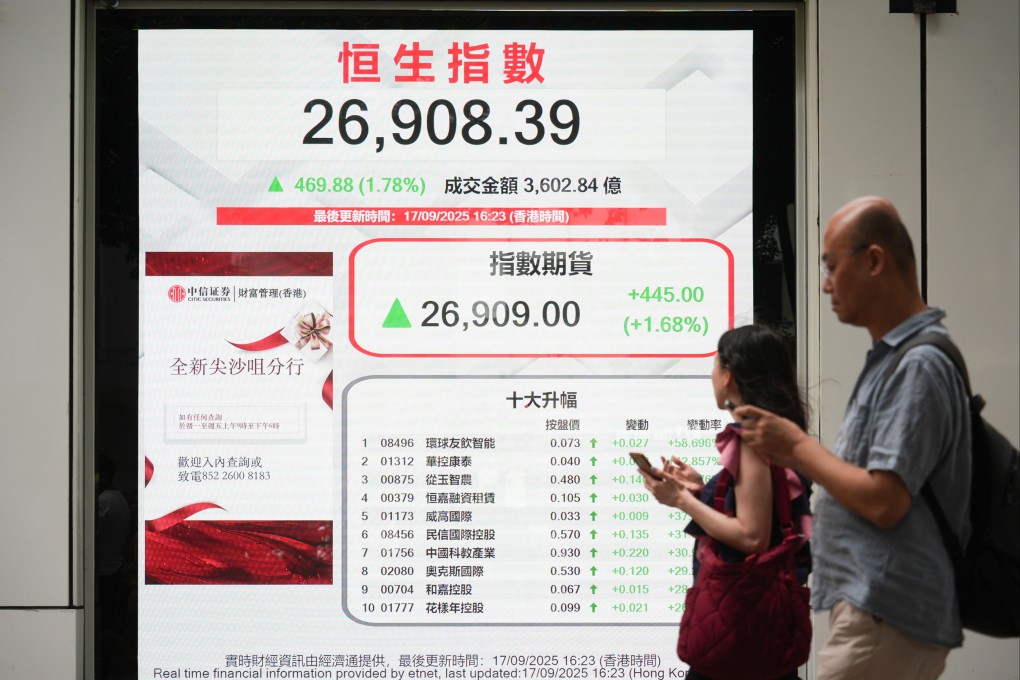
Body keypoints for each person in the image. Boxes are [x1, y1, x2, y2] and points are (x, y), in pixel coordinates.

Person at [734, 196, 971, 680]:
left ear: (875, 260)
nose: (825, 284)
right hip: (881, 612)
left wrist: (796, 445)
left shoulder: (918, 365)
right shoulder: (895, 359)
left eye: (832, 266)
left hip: (888, 612)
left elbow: (885, 500)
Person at [640, 323, 813, 680]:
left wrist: (682, 502)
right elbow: (764, 512)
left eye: (715, 365)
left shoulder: (750, 440)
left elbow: (751, 537)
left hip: (736, 624)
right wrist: (703, 490)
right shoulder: (779, 433)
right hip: (764, 628)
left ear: (728, 376)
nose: (711, 374)